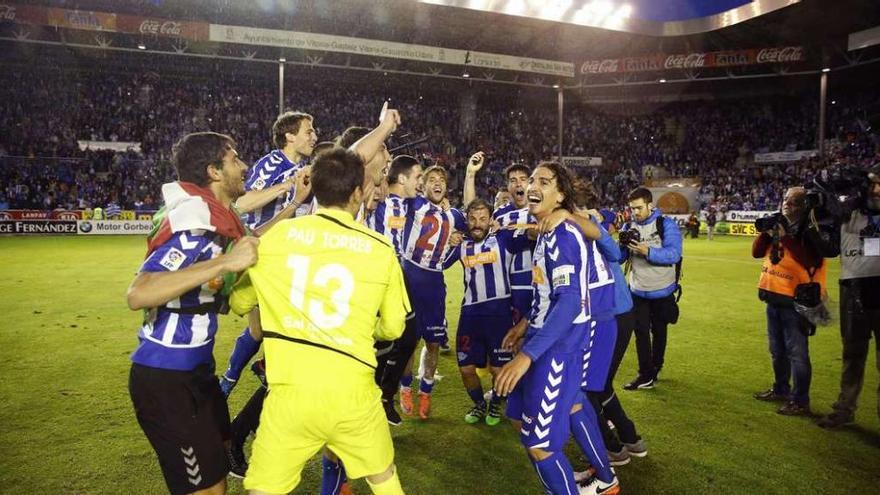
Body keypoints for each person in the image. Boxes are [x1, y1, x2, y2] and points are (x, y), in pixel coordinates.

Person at [229, 147, 409, 495]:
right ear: (358, 192)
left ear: (315, 187)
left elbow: (239, 301)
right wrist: (356, 326)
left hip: (290, 395)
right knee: (384, 478)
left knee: (264, 488)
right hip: (353, 394)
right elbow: (393, 328)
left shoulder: (276, 239)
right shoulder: (380, 249)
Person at [126, 132, 259, 495]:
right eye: (235, 160)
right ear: (214, 171)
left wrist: (295, 201)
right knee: (208, 491)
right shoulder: (194, 228)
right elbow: (140, 292)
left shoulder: (217, 218)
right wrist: (228, 262)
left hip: (197, 371)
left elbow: (252, 244)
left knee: (218, 468)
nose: (244, 166)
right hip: (166, 378)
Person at [496, 162, 614, 495]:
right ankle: (574, 480)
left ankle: (584, 482)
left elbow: (569, 304)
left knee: (540, 445)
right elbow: (547, 293)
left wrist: (526, 357)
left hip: (558, 350)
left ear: (560, 195)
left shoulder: (563, 234)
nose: (532, 185)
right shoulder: (547, 231)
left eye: (543, 182)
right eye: (531, 180)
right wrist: (524, 326)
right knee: (520, 420)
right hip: (541, 339)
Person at [219, 111, 317, 398]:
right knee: (263, 329)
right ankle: (230, 380)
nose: (314, 136)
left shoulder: (307, 167)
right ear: (289, 136)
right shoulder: (274, 163)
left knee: (280, 328)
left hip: (291, 258)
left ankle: (253, 375)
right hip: (264, 254)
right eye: (308, 131)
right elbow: (244, 203)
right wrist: (289, 185)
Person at [443, 198, 529, 426]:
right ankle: (480, 404)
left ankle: (495, 403)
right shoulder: (462, 245)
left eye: (482, 219)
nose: (477, 223)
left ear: (491, 220)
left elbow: (532, 235)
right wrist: (449, 239)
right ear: (467, 221)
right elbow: (439, 263)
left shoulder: (503, 239)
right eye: (472, 219)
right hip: (470, 314)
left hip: (499, 314)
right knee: (466, 368)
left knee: (499, 369)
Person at [751, 187, 835, 416]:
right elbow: (757, 252)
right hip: (773, 297)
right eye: (786, 199)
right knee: (777, 350)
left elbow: (809, 259)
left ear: (805, 206)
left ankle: (800, 400)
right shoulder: (778, 226)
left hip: (797, 302)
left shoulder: (812, 230)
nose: (787, 204)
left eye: (794, 201)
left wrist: (785, 235)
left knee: (797, 354)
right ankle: (780, 389)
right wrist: (768, 233)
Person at [398, 162, 468, 419]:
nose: (437, 183)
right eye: (432, 179)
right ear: (422, 185)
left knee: (434, 341)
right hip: (410, 275)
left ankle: (425, 391)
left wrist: (469, 174)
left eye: (442, 179)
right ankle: (405, 387)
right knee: (408, 341)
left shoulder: (454, 216)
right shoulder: (413, 204)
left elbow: (472, 219)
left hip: (435, 282)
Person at [818, 165, 880, 428]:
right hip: (852, 286)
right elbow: (821, 190)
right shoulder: (847, 213)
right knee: (852, 353)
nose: (876, 189)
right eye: (874, 184)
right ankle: (844, 409)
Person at [368, 154, 424, 425]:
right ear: (402, 179)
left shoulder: (402, 204)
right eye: (418, 177)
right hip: (379, 275)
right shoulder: (380, 203)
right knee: (391, 338)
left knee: (407, 336)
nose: (421, 182)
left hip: (395, 274)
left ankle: (382, 394)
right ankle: (377, 394)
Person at [619, 187, 683, 390]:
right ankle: (645, 374)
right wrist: (620, 244)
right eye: (632, 209)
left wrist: (647, 251)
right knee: (640, 332)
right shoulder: (628, 226)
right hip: (637, 290)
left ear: (650, 205)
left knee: (659, 330)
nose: (635, 213)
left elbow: (674, 254)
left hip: (662, 290)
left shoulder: (665, 224)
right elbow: (620, 258)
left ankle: (656, 366)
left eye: (638, 208)